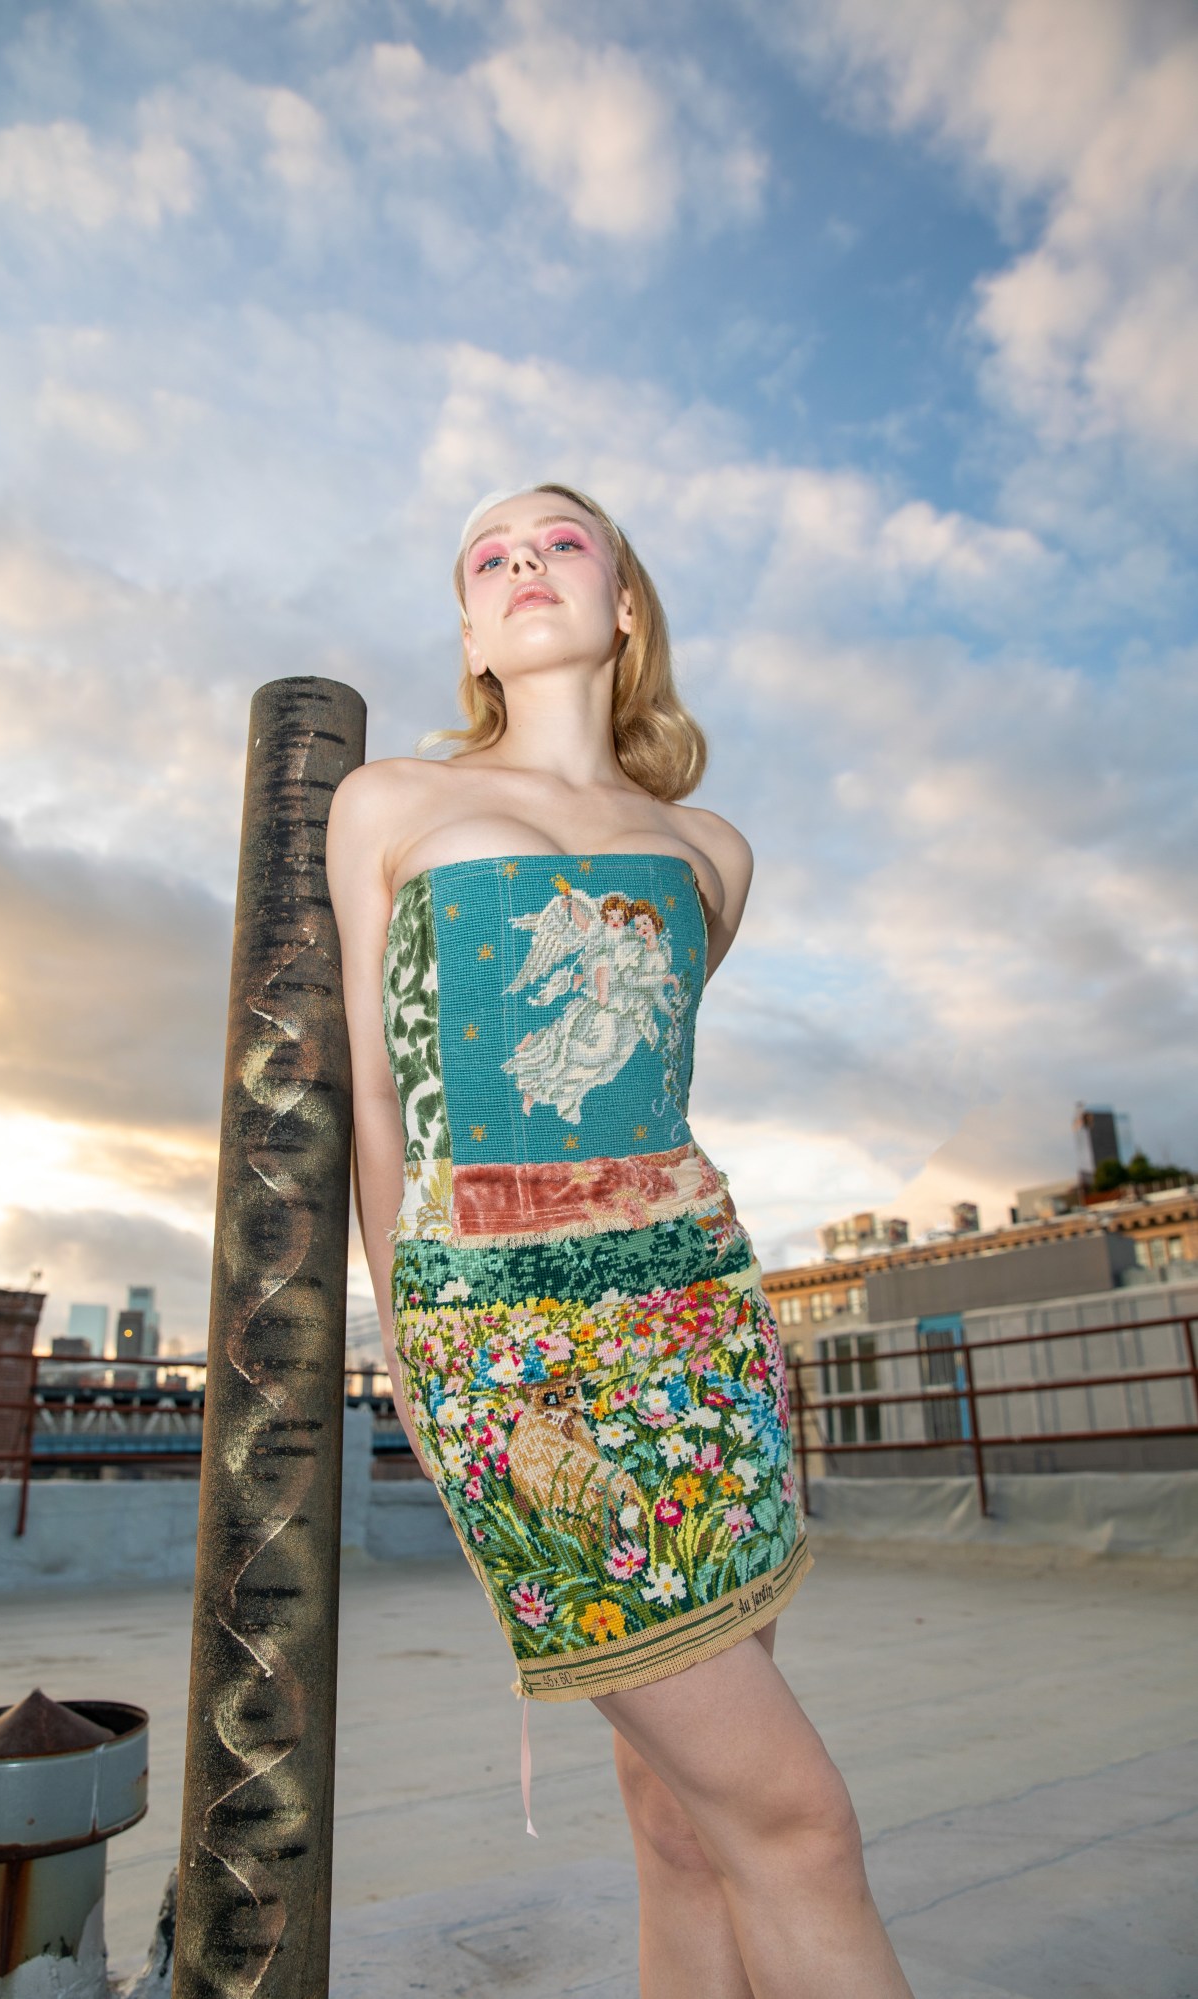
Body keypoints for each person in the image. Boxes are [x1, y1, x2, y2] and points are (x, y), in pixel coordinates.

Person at [326, 482, 915, 1999]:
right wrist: (407, 1336)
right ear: (470, 630)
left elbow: (643, 1088)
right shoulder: (387, 805)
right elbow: (377, 1104)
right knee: (797, 1822)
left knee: (681, 1812)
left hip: (704, 1333)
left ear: (625, 605)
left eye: (561, 543)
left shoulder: (708, 852)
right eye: (489, 557)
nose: (525, 563)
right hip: (504, 1348)